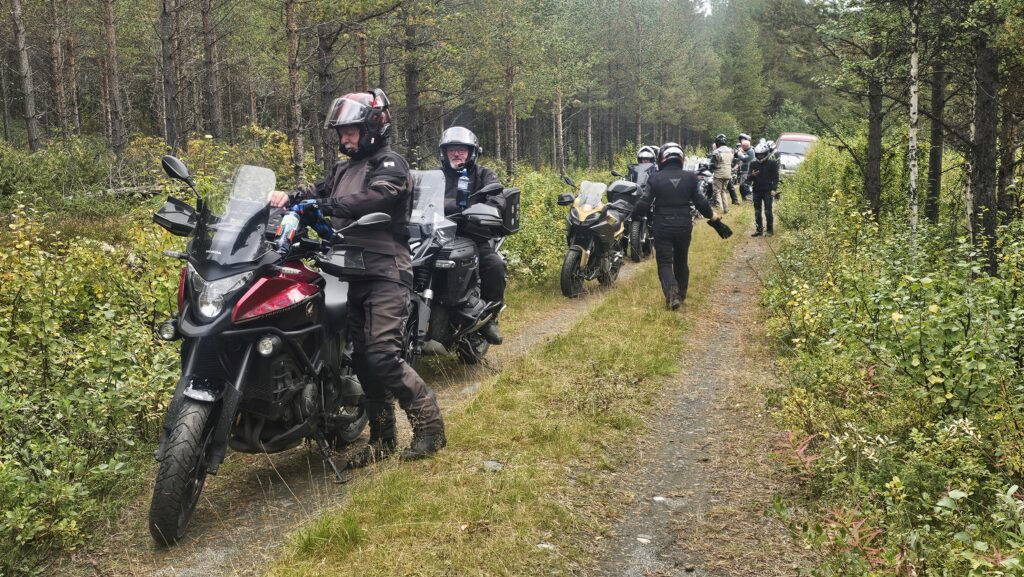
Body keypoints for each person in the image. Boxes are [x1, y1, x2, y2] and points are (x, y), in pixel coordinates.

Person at [268, 89, 446, 464]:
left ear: (374, 127)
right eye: (342, 132)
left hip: (386, 269)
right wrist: (288, 197)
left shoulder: (390, 164)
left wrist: (325, 205)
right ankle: (383, 440)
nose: (345, 138)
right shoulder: (342, 169)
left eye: (352, 131)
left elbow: (377, 197)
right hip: (349, 271)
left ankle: (430, 427)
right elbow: (315, 190)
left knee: (383, 355)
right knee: (362, 359)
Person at [635, 142, 732, 309]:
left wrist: (632, 216)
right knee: (681, 261)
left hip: (662, 226)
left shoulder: (655, 177)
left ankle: (672, 296)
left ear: (662, 158)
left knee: (665, 263)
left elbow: (644, 202)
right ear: (680, 158)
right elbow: (701, 203)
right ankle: (681, 294)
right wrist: (714, 219)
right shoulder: (690, 177)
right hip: (683, 226)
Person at [438, 126, 506, 345]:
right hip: (437, 235)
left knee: (494, 264)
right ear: (444, 152)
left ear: (472, 152)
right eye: (451, 149)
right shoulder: (435, 176)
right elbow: (416, 197)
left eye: (462, 150)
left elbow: (497, 197)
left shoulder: (484, 174)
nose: (456, 154)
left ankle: (489, 317)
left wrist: (479, 209)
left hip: (473, 235)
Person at [748, 141, 779, 237]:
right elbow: (748, 179)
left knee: (767, 211)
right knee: (757, 211)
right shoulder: (753, 164)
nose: (760, 157)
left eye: (762, 155)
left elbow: (776, 177)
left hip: (768, 190)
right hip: (757, 190)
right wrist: (752, 175)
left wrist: (774, 189)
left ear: (766, 154)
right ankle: (759, 230)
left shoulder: (772, 163)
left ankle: (770, 230)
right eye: (758, 155)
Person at [708, 134, 735, 213]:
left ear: (717, 142)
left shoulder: (716, 151)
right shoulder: (731, 150)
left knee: (717, 191)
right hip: (728, 173)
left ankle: (720, 209)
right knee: (723, 191)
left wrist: (711, 167)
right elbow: (732, 162)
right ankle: (726, 209)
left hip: (719, 174)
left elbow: (713, 164)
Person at [735, 134, 755, 201]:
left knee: (746, 186)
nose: (741, 147)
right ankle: (744, 199)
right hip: (743, 171)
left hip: (748, 171)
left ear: (745, 146)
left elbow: (745, 159)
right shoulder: (746, 150)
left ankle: (750, 199)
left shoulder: (751, 151)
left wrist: (740, 153)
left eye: (742, 146)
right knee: (741, 186)